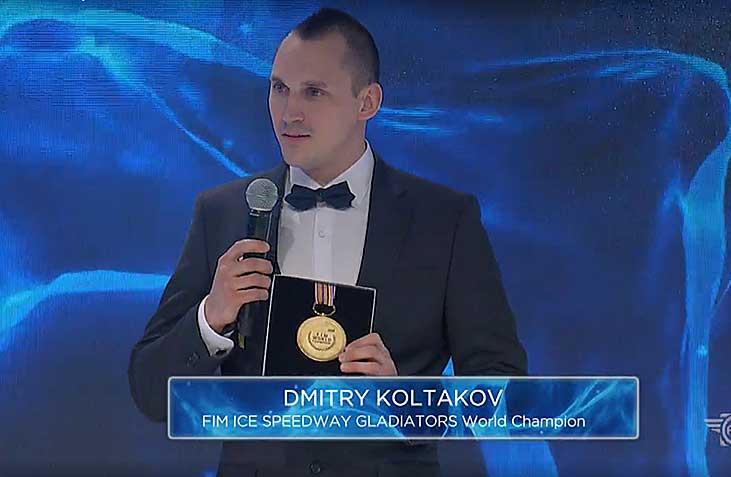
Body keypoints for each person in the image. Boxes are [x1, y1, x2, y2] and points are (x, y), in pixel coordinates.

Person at [128, 8, 527, 477]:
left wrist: (408, 402)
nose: (289, 113)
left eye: (313, 92)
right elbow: (150, 392)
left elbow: (506, 396)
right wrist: (210, 319)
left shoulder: (445, 220)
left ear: (367, 102)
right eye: (279, 88)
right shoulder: (222, 213)